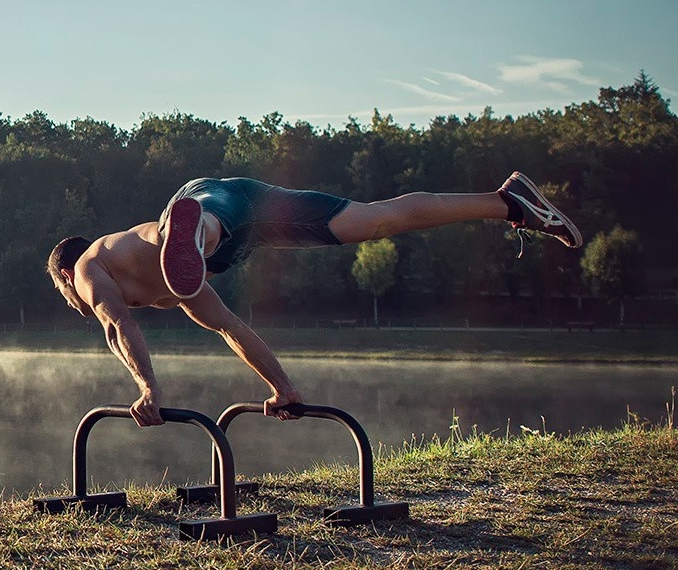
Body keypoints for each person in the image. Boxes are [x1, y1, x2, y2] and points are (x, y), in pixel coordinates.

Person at [46, 172, 583, 425]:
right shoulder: (174, 287)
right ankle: (508, 204)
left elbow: (118, 328)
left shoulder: (90, 264)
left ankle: (196, 231)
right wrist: (283, 388)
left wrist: (147, 390)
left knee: (192, 230)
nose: (72, 298)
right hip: (252, 218)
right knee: (376, 219)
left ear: (65, 278)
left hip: (203, 202)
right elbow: (232, 328)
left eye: (61, 291)